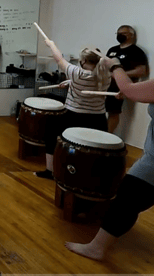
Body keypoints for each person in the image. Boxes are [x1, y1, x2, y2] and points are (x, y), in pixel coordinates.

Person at [66, 40, 154, 261]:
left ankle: (97, 248)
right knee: (136, 200)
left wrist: (114, 65)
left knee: (126, 200)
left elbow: (129, 89)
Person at [34, 39, 111, 180]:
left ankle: (50, 171)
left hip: (74, 116)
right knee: (96, 149)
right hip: (98, 119)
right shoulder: (106, 75)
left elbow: (59, 59)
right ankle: (93, 177)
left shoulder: (77, 73)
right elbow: (91, 80)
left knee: (50, 132)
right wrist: (71, 82)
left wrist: (51, 44)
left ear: (84, 61)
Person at [105, 25, 149, 132]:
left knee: (113, 112)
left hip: (120, 87)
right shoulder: (112, 50)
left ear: (131, 35)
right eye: (118, 33)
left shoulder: (136, 51)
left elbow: (141, 71)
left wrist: (120, 75)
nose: (120, 35)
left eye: (123, 33)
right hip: (105, 84)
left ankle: (107, 135)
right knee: (100, 111)